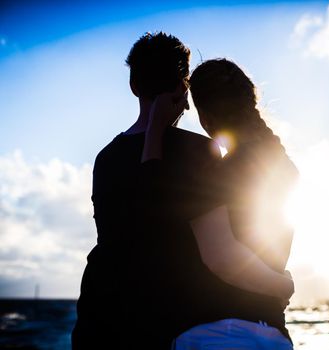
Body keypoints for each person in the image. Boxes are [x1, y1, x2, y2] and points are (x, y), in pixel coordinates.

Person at [72, 33, 294, 350]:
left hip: (99, 317)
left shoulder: (105, 158)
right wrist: (281, 286)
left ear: (134, 87)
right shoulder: (198, 151)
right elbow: (220, 254)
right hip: (158, 324)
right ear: (183, 88)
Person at [141, 58, 298, 350]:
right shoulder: (281, 166)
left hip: (217, 333)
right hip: (272, 333)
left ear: (205, 118)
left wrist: (154, 131)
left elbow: (223, 260)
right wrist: (282, 284)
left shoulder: (208, 170)